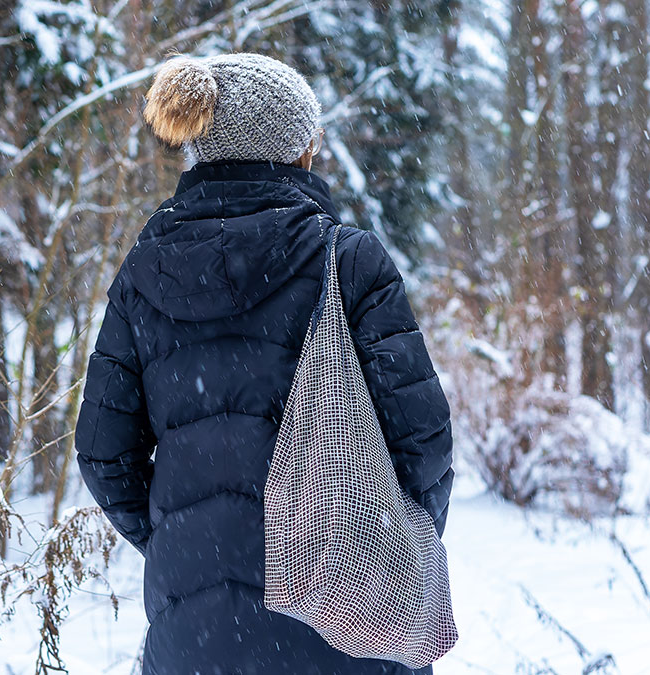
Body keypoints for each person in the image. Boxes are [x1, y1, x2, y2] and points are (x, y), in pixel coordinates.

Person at [73, 51, 455, 675]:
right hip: (348, 613)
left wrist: (182, 540)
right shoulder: (348, 260)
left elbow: (102, 452)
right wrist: (395, 539)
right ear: (298, 148)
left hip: (194, 638)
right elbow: (425, 442)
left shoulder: (145, 268)